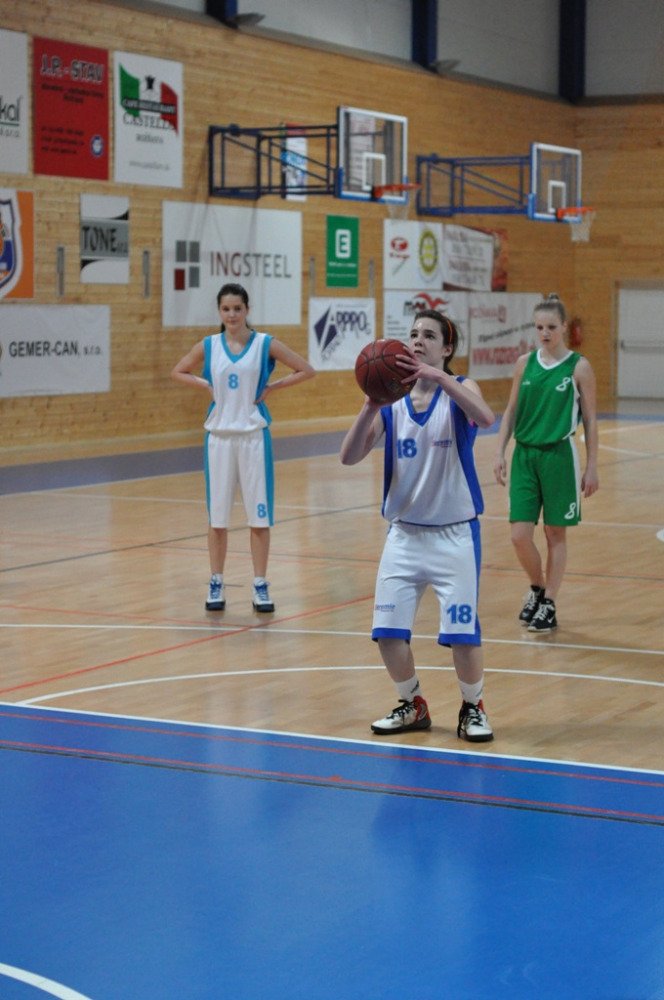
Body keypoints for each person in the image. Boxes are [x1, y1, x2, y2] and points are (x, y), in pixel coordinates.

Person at [340, 310, 495, 743]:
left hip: (455, 536)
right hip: (404, 536)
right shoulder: (392, 405)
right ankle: (412, 704)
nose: (417, 341)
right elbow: (348, 457)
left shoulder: (461, 388)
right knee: (388, 634)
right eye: (412, 334)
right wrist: (370, 403)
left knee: (462, 635)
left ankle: (473, 707)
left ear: (447, 348)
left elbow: (486, 418)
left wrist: (440, 377)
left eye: (428, 335)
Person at [172, 282, 315, 613]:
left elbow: (306, 370)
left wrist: (272, 387)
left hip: (253, 438)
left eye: (237, 308)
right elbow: (178, 371)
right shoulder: (209, 345)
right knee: (217, 518)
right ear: (219, 312)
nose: (232, 314)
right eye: (226, 309)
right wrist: (204, 384)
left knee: (259, 518)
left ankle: (260, 584)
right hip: (219, 438)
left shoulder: (264, 343)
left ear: (247, 310)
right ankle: (216, 581)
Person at [493, 292, 599, 633]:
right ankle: (537, 588)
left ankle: (549, 602)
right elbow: (511, 410)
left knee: (555, 533)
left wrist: (592, 466)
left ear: (564, 327)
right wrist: (499, 451)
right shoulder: (524, 363)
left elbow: (590, 420)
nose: (544, 333)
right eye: (539, 327)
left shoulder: (579, 367)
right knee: (519, 535)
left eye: (551, 327)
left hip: (559, 455)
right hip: (524, 455)